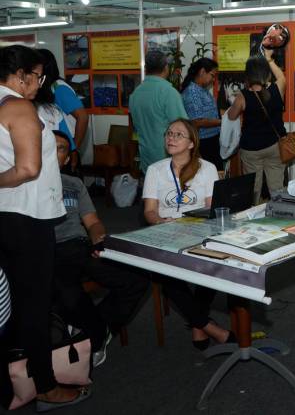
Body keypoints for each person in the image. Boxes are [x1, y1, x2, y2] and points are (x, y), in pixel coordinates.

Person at [0, 45, 91, 410]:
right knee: (34, 305)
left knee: (9, 304)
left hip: (7, 216)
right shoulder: (18, 107)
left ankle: (13, 381)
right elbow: (29, 169)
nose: (40, 83)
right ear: (19, 75)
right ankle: (45, 385)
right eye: (36, 76)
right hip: (28, 219)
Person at [50, 130, 149, 367]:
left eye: (61, 148)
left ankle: (94, 330)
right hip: (48, 250)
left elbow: (93, 222)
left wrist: (98, 240)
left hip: (80, 246)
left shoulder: (74, 184)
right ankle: (94, 335)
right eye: (49, 146)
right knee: (67, 291)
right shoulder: (26, 185)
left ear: (67, 158)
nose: (54, 152)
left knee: (137, 277)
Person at [142, 119, 232, 348]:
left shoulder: (207, 168)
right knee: (164, 274)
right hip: (165, 232)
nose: (171, 138)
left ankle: (197, 325)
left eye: (178, 135)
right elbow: (150, 212)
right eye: (169, 133)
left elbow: (212, 208)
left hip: (197, 230)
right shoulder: (155, 170)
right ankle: (208, 327)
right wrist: (161, 222)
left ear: (192, 143)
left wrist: (193, 224)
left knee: (213, 266)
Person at [227, 53, 287, 204]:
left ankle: (254, 216)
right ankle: (279, 215)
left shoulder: (243, 96)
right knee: (277, 188)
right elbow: (281, 76)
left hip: (251, 149)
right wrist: (268, 59)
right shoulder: (276, 89)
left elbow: (231, 117)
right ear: (266, 72)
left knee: (254, 188)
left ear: (247, 74)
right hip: (274, 146)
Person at [129, 50, 188, 172]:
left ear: (146, 69)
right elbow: (184, 128)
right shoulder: (168, 92)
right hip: (167, 159)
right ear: (166, 67)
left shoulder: (135, 94)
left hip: (146, 158)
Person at [35, 48, 89, 159]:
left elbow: (82, 117)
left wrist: (73, 149)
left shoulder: (58, 88)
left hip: (66, 147)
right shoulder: (47, 88)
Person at [181, 58, 223, 170]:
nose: (213, 80)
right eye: (212, 75)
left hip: (212, 141)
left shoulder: (201, 90)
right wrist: (223, 122)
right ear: (202, 71)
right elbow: (197, 121)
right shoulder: (192, 92)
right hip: (203, 143)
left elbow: (209, 113)